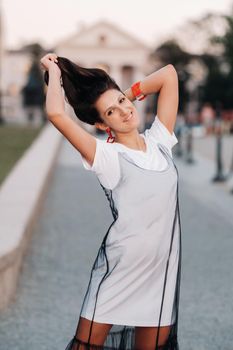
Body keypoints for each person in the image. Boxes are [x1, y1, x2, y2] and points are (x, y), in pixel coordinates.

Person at [40, 53, 182, 350]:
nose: (123, 111)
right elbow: (56, 114)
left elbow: (168, 75)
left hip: (161, 272)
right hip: (120, 268)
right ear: (104, 125)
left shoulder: (160, 141)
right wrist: (53, 71)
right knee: (85, 346)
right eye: (110, 113)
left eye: (121, 102)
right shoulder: (105, 156)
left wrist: (123, 97)